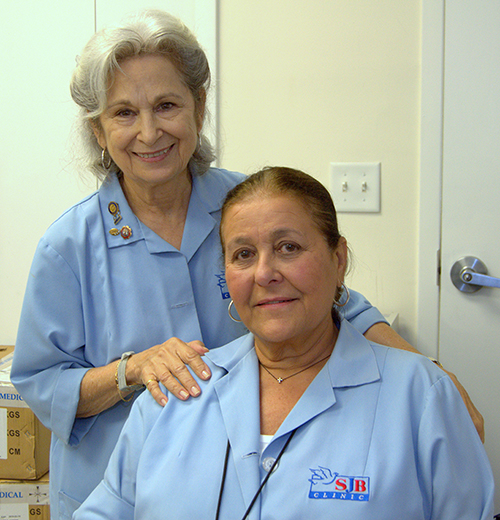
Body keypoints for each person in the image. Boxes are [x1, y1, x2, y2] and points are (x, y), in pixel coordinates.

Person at [10, 10, 482, 520]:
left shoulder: (245, 206)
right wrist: (131, 370)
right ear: (98, 132)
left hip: (261, 464)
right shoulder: (69, 246)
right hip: (128, 480)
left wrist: (432, 385)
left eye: (167, 105)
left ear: (199, 106)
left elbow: (331, 297)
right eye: (123, 113)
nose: (149, 132)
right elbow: (41, 383)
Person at [74, 167, 494, 520]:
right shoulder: (175, 395)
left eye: (287, 247)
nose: (264, 273)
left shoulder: (421, 397)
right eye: (242, 254)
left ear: (338, 258)